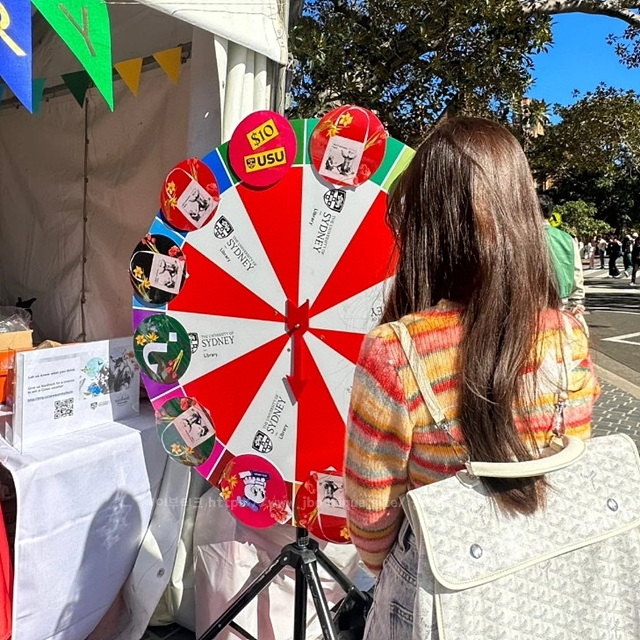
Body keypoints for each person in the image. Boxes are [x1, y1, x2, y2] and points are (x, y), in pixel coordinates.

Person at [344, 117, 600, 639]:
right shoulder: (568, 337)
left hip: (441, 607)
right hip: (552, 598)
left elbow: (372, 523)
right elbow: (568, 465)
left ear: (426, 227)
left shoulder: (394, 352)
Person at [538, 195, 586, 320]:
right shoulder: (567, 238)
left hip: (533, 302)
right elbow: (577, 271)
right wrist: (577, 301)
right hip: (561, 300)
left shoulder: (525, 238)